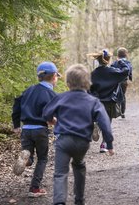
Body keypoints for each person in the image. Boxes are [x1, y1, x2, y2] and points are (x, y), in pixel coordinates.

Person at [42, 64, 114, 205]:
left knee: (60, 173)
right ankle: (79, 200)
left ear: (68, 83)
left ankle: (59, 202)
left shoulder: (61, 98)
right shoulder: (93, 101)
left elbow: (46, 113)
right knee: (79, 165)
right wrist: (109, 144)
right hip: (82, 142)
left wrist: (52, 120)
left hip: (64, 141)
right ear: (87, 83)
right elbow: (105, 123)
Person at [11, 61, 60, 197]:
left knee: (29, 154)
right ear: (54, 76)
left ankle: (27, 160)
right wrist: (55, 122)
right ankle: (34, 188)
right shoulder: (51, 95)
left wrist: (16, 125)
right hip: (40, 129)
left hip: (26, 129)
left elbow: (16, 104)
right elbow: (54, 115)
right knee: (43, 158)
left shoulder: (28, 90)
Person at [88, 49, 130, 153]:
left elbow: (89, 88)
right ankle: (104, 144)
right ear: (108, 60)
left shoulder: (93, 73)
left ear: (98, 60)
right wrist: (121, 61)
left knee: (98, 117)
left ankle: (96, 124)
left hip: (97, 101)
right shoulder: (112, 72)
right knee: (107, 122)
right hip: (109, 101)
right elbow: (126, 71)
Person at [111, 47, 133, 118]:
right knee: (123, 95)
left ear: (118, 55)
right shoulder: (128, 63)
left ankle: (117, 110)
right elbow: (129, 71)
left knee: (115, 95)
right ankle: (122, 112)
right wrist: (130, 78)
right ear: (126, 55)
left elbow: (111, 70)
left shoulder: (114, 63)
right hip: (124, 81)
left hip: (115, 81)